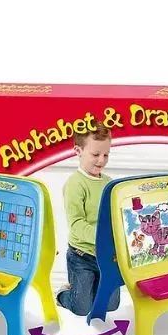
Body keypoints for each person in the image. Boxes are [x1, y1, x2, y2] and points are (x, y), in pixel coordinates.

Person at [56, 122, 120, 316]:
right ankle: (63, 294)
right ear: (78, 151)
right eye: (95, 154)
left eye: (106, 155)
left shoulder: (109, 183)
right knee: (82, 309)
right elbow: (76, 224)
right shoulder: (75, 184)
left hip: (106, 256)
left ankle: (87, 290)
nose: (101, 160)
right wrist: (103, 238)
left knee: (111, 306)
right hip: (81, 256)